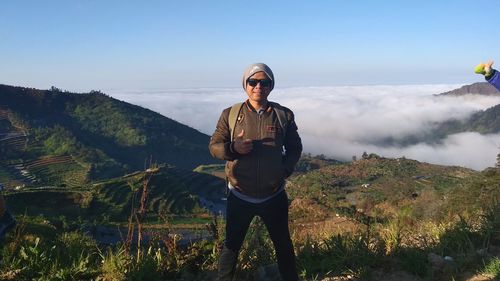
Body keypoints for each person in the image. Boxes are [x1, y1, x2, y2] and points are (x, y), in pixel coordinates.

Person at [209, 63, 302, 281]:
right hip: (240, 195)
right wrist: (233, 148)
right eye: (253, 81)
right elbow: (214, 146)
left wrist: (283, 171)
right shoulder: (231, 114)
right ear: (245, 84)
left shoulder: (283, 115)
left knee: (283, 245)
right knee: (231, 246)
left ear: (271, 86)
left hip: (274, 194)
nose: (258, 86)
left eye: (265, 82)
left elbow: (295, 147)